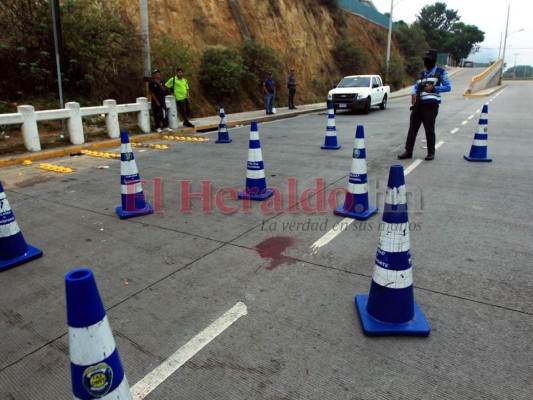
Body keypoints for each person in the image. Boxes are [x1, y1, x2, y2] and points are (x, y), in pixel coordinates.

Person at [398, 49, 451, 161]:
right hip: (418, 105)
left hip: (431, 106)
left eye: (429, 58)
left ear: (434, 60)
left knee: (429, 129)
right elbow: (416, 87)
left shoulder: (440, 73)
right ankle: (408, 151)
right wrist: (413, 94)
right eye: (425, 58)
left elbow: (448, 87)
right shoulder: (421, 74)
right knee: (412, 129)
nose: (426, 60)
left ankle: (431, 152)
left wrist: (434, 88)